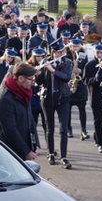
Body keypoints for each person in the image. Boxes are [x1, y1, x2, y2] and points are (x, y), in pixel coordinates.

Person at [36, 41, 74, 169]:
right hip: (47, 98)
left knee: (63, 128)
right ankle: (50, 153)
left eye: (62, 51)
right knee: (49, 127)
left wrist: (52, 70)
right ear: (53, 52)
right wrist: (38, 73)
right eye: (58, 52)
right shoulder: (45, 61)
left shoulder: (68, 62)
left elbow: (67, 77)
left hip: (63, 98)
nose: (61, 54)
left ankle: (63, 156)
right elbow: (39, 82)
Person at [0, 63, 39, 161]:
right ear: (20, 79)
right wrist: (26, 152)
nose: (33, 82)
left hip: (24, 148)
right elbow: (10, 130)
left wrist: (35, 144)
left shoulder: (24, 93)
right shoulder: (5, 100)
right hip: (10, 152)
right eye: (30, 79)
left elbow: (30, 120)